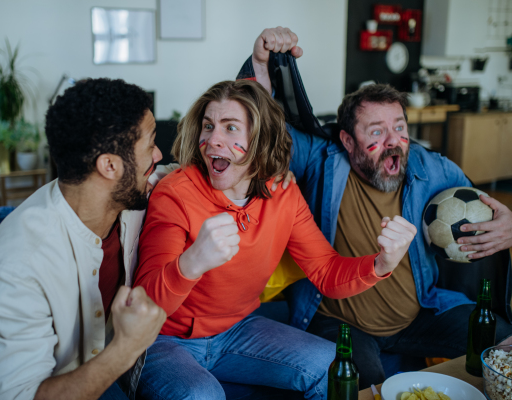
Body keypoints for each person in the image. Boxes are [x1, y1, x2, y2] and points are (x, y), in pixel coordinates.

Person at [244, 27, 512, 389]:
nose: (394, 142)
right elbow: (263, 130)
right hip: (339, 320)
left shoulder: (433, 168)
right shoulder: (321, 160)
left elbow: (491, 213)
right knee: (365, 386)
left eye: (399, 127)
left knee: (506, 346)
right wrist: (261, 64)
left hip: (422, 312)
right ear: (347, 139)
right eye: (375, 132)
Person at [133, 79, 417, 399]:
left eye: (230, 128)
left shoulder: (283, 194)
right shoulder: (176, 192)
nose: (213, 139)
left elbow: (326, 271)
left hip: (237, 329)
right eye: (209, 126)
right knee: (201, 395)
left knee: (332, 367)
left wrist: (381, 264)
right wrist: (191, 263)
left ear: (260, 138)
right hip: (164, 339)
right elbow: (146, 305)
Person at [0, 78, 167, 400]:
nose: (158, 153)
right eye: (151, 144)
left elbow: (188, 173)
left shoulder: (127, 196)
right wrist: (127, 347)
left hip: (84, 372)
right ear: (110, 166)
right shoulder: (13, 268)